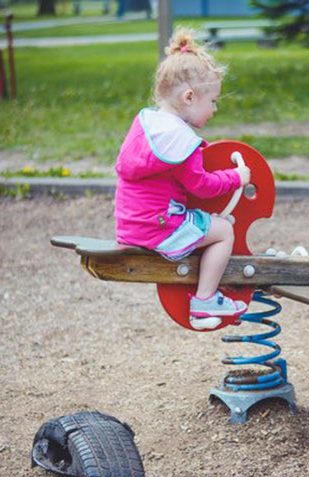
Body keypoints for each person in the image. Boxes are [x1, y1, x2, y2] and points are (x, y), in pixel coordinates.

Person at [114, 28, 250, 330]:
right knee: (224, 231)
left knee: (209, 223)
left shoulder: (147, 125)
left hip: (131, 225)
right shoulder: (180, 141)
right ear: (189, 97)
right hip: (159, 227)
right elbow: (202, 185)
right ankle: (204, 300)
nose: (214, 109)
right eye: (212, 101)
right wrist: (236, 177)